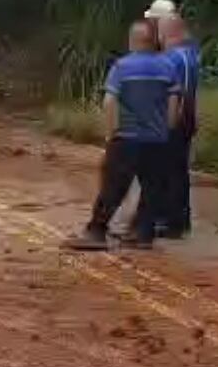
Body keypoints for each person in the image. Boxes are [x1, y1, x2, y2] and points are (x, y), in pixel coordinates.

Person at [65, 20, 182, 251]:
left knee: (113, 187)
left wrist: (111, 133)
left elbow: (110, 101)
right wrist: (166, 129)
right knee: (152, 188)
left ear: (134, 41)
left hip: (127, 137)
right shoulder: (168, 67)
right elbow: (174, 103)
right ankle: (143, 234)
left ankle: (97, 231)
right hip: (157, 139)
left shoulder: (123, 66)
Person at [155, 13, 200, 238]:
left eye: (161, 30)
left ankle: (170, 220)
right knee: (176, 169)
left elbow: (179, 91)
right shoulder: (185, 54)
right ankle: (178, 218)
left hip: (175, 119)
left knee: (169, 169)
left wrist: (172, 120)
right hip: (180, 118)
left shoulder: (178, 57)